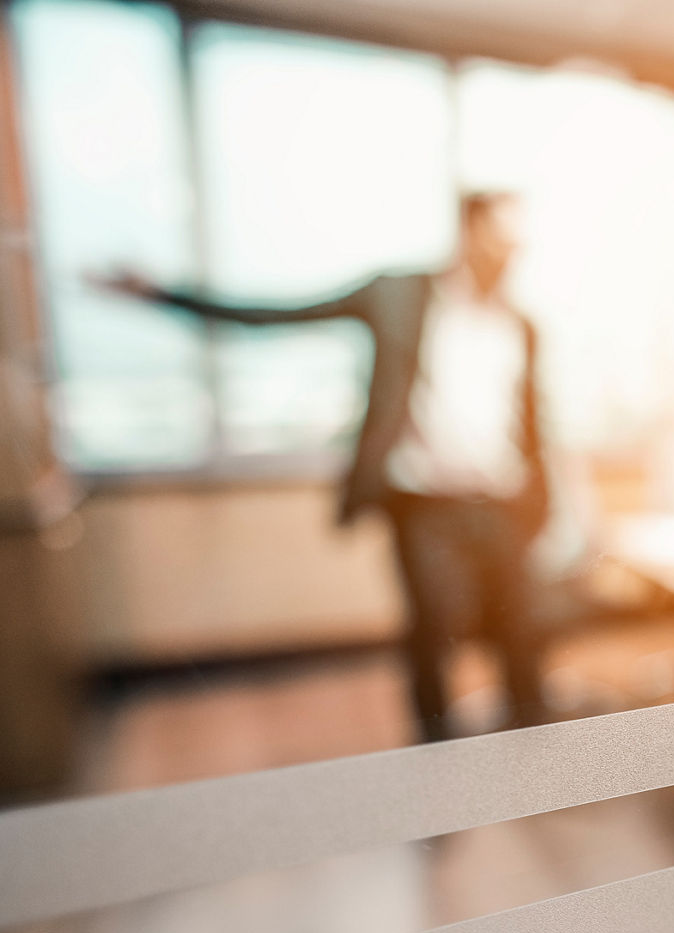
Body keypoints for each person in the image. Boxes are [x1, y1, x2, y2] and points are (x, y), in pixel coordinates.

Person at [95, 194, 550, 740]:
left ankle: (538, 757)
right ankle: (438, 769)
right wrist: (161, 294)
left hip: (503, 506)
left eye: (519, 240)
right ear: (470, 231)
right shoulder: (399, 294)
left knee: (523, 634)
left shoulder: (520, 323)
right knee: (433, 639)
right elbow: (277, 315)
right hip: (426, 506)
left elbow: (533, 424)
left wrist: (542, 503)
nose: (513, 252)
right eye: (504, 236)